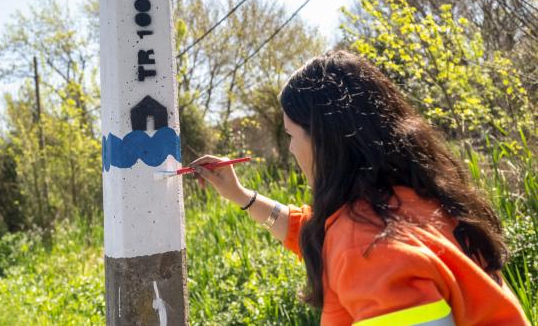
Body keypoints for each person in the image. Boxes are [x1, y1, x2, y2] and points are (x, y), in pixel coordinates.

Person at [191, 50, 528, 325]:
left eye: (291, 136)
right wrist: (240, 195)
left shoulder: (368, 246)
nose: (291, 150)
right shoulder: (416, 201)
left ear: (325, 142)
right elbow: (313, 233)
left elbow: (353, 248)